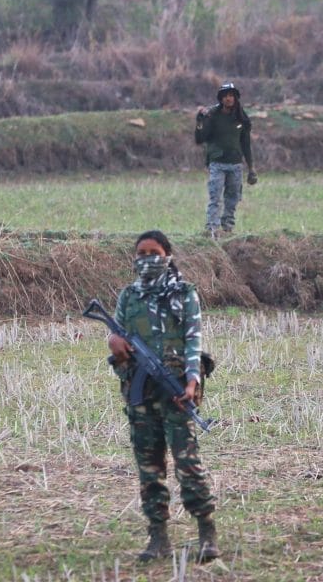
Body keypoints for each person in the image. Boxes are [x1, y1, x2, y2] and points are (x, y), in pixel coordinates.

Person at [109, 230, 219, 563]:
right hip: (140, 395)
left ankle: (206, 532)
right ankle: (158, 537)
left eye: (154, 252)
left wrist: (191, 381)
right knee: (149, 466)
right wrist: (115, 344)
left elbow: (193, 341)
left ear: (167, 255)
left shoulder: (184, 293)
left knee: (187, 463)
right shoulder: (128, 297)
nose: (147, 258)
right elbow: (117, 336)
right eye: (141, 253)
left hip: (176, 391)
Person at [195, 81, 257, 239]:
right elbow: (200, 139)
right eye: (226, 96)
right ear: (221, 99)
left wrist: (251, 168)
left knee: (233, 197)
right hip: (217, 164)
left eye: (232, 96)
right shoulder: (213, 116)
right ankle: (212, 229)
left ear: (236, 98)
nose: (229, 99)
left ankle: (227, 228)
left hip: (236, 164)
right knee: (215, 197)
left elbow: (246, 144)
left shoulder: (241, 118)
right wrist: (200, 121)